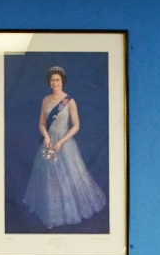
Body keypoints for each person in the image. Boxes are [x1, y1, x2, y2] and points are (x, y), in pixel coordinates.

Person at [21, 67, 107, 228]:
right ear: (49, 82)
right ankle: (52, 215)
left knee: (69, 177)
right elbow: (41, 123)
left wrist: (61, 141)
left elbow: (76, 126)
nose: (55, 83)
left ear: (62, 82)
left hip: (64, 142)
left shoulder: (69, 101)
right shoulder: (45, 100)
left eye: (58, 80)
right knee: (49, 177)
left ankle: (69, 211)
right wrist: (46, 136)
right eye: (52, 80)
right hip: (49, 142)